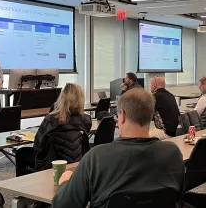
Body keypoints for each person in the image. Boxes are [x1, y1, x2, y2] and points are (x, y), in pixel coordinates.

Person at [52, 89, 184, 208]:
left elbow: (62, 205)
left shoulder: (96, 158)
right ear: (151, 114)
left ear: (123, 116)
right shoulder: (173, 153)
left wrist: (64, 183)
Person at [15, 83, 92, 176]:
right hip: (78, 162)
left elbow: (37, 146)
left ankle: (22, 186)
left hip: (51, 163)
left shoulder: (51, 119)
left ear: (62, 98)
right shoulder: (86, 119)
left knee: (21, 153)